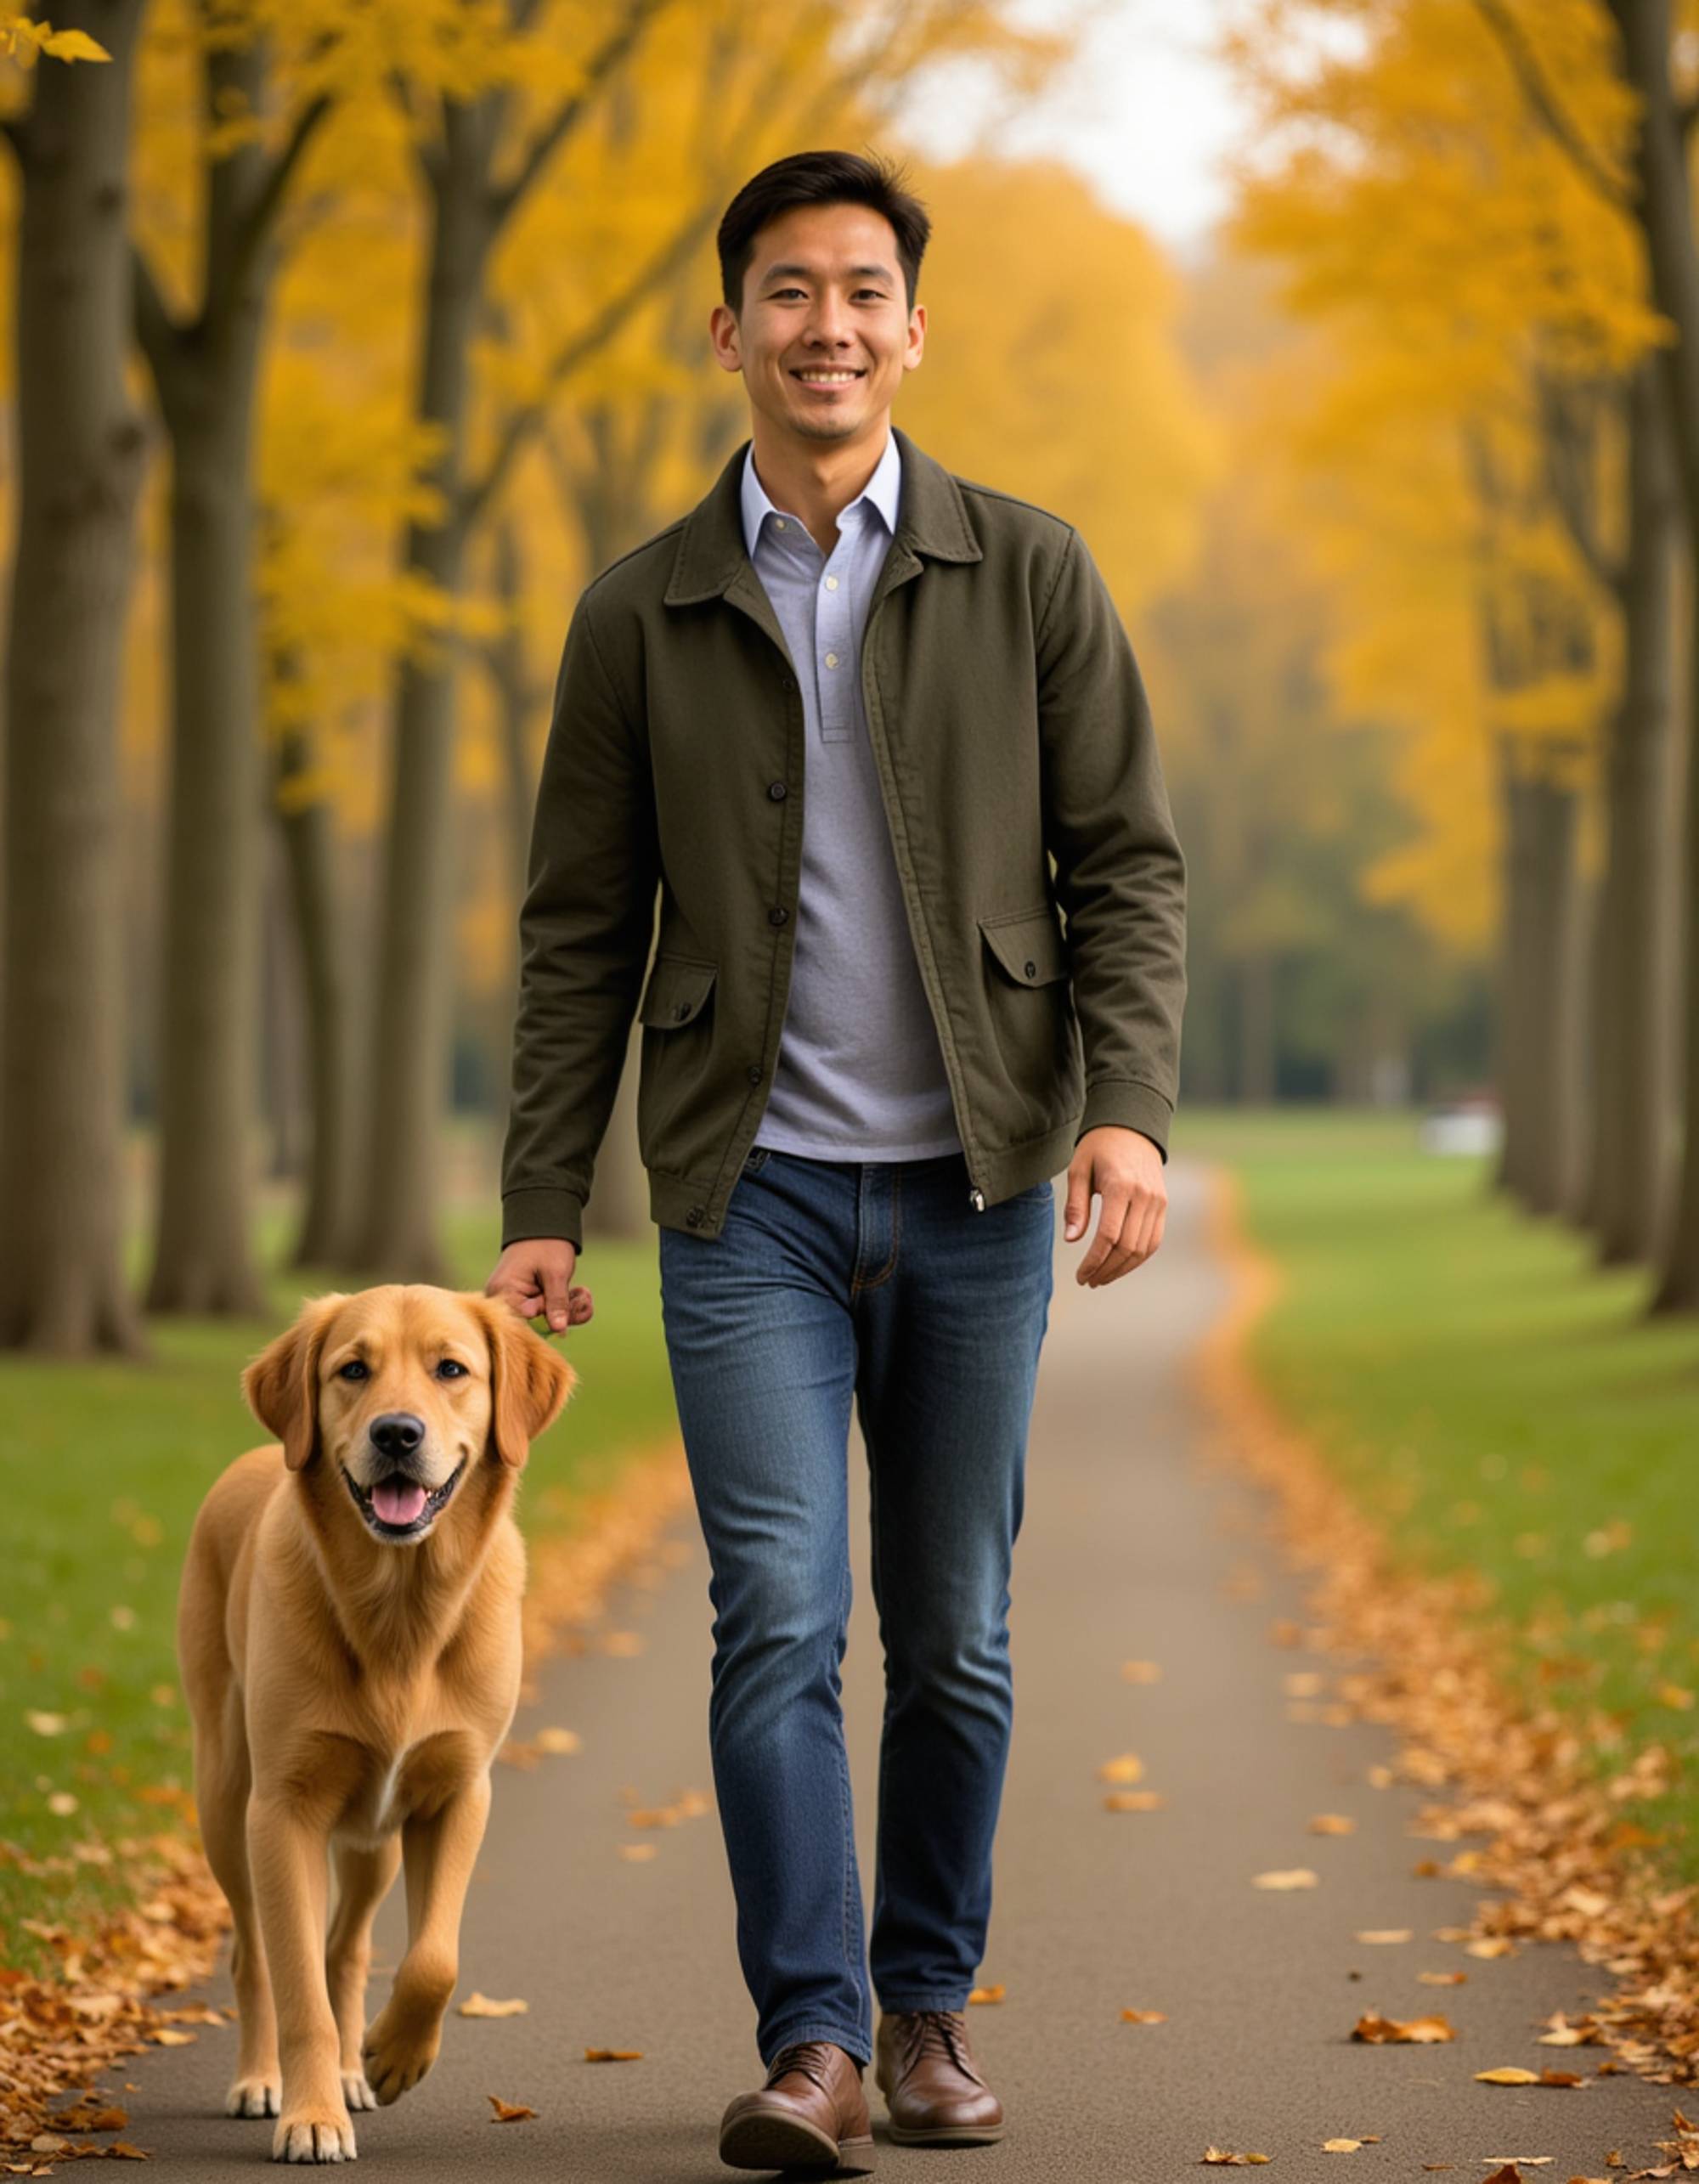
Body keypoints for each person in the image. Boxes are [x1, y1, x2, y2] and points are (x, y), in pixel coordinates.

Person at [486, 148, 1187, 2174]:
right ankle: (811, 2041)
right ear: (729, 328)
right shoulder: (639, 610)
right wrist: (542, 1198)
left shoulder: (1026, 571)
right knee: (777, 1614)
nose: (827, 325)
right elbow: (577, 928)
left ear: (912, 327)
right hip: (749, 1194)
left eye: (863, 290)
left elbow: (1125, 865)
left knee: (951, 1628)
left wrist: (1125, 1105)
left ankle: (925, 2008)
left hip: (976, 1188)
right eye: (788, 290)